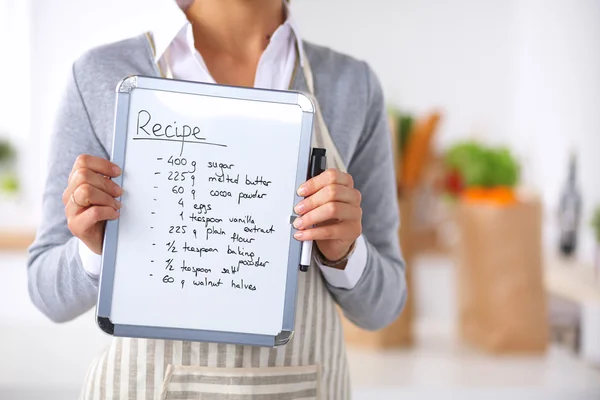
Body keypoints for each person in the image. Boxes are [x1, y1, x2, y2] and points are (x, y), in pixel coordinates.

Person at [27, 0, 407, 398]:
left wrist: (344, 254)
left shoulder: (353, 85)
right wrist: (96, 249)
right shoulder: (100, 75)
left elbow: (384, 306)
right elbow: (46, 293)